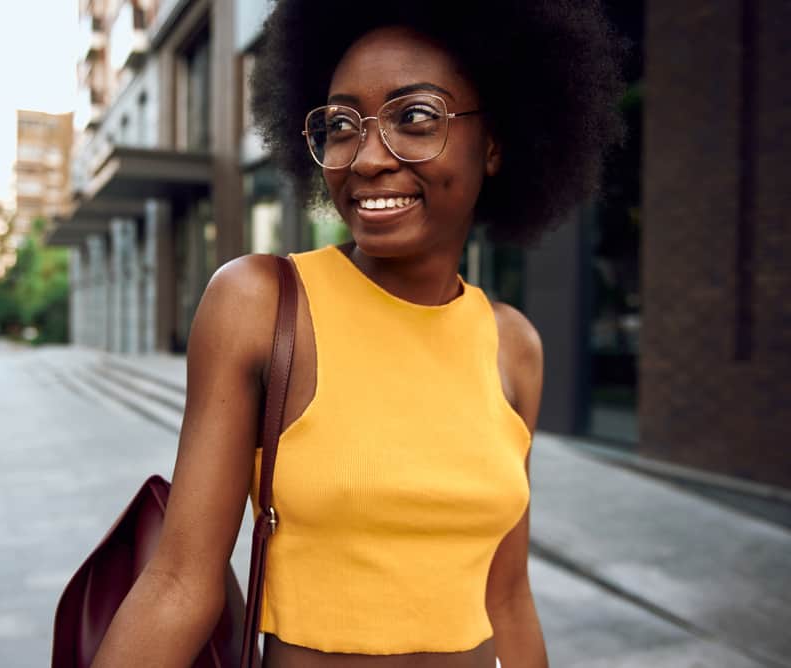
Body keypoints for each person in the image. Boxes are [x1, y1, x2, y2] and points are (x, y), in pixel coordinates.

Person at [92, 2, 624, 666]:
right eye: (342, 125)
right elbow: (179, 583)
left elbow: (509, 598)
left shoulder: (513, 344)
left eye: (415, 118)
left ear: (494, 144)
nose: (368, 158)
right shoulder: (260, 302)